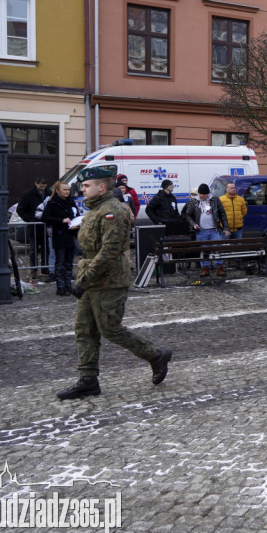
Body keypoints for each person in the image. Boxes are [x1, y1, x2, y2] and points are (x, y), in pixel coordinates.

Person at [56, 166, 172, 400]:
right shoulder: (94, 209)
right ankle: (88, 380)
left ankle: (155, 355)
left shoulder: (113, 211)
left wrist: (85, 278)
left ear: (101, 187)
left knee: (110, 328)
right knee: (84, 329)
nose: (82, 190)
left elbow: (109, 252)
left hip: (109, 280)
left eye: (87, 186)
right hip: (91, 277)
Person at [181, 183, 231, 277]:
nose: (202, 196)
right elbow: (187, 215)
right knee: (203, 250)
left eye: (204, 194)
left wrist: (226, 228)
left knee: (217, 248)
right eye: (200, 194)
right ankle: (205, 268)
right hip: (201, 230)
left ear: (208, 193)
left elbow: (222, 214)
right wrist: (193, 224)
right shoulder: (194, 202)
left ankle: (219, 267)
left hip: (215, 229)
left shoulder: (215, 200)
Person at [40, 180, 80, 296]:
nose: (67, 192)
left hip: (71, 235)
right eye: (65, 189)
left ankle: (68, 285)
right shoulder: (52, 202)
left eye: (68, 189)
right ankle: (60, 287)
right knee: (60, 262)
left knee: (69, 263)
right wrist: (61, 220)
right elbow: (45, 217)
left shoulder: (71, 201)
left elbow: (76, 215)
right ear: (58, 191)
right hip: (60, 235)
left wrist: (77, 224)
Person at [16, 176, 50, 277]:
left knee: (46, 249)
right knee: (33, 250)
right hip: (33, 226)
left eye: (44, 185)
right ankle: (33, 270)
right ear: (36, 183)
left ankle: (45, 268)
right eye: (40, 185)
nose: (42, 187)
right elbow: (20, 209)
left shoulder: (49, 193)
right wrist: (30, 219)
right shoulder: (27, 194)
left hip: (46, 225)